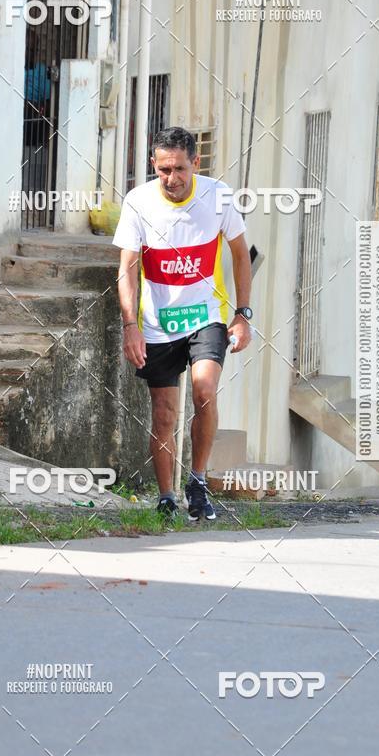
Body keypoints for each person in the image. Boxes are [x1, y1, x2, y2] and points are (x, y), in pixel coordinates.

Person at [113, 126, 253, 521]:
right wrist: (130, 326)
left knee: (204, 390)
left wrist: (242, 316)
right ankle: (166, 497)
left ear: (195, 163)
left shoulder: (218, 196)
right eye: (163, 171)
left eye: (179, 170)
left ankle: (198, 480)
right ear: (153, 165)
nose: (171, 179)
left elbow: (241, 256)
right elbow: (126, 268)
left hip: (205, 316)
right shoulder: (139, 202)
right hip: (157, 323)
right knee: (163, 412)